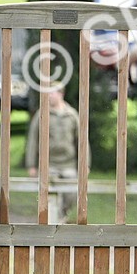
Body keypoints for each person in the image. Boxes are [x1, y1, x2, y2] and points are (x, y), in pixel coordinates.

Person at [24, 88, 86, 222]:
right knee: (49, 194)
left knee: (71, 193)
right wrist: (31, 165)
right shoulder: (42, 114)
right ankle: (52, 222)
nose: (49, 96)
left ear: (61, 94)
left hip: (68, 164)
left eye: (52, 93)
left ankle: (61, 216)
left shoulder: (72, 115)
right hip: (49, 164)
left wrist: (85, 164)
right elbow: (33, 140)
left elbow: (81, 141)